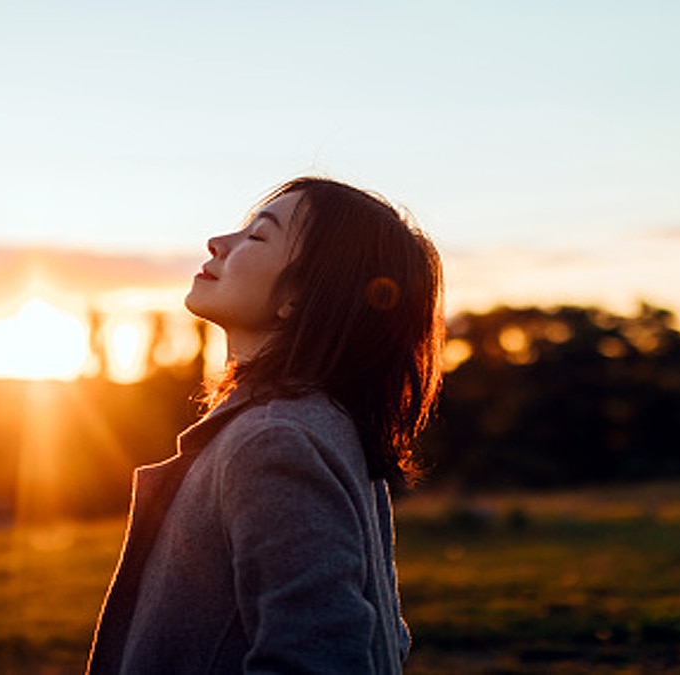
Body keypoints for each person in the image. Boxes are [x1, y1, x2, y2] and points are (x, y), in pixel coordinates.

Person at [87, 177, 444, 674]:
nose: (218, 243)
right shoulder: (324, 425)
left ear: (299, 296)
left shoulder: (275, 441)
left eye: (257, 237)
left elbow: (318, 658)